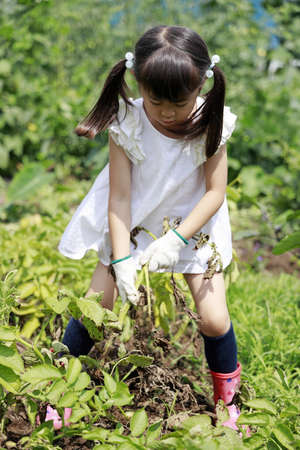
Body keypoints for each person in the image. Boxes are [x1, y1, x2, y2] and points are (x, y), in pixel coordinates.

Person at [53, 25, 243, 431]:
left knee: (213, 319)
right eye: (156, 101)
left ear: (202, 84)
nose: (168, 112)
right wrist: (121, 259)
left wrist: (177, 239)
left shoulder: (212, 119)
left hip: (193, 223)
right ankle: (56, 393)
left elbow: (214, 193)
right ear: (138, 82)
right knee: (94, 308)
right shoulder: (129, 122)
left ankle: (229, 403)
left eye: (180, 101)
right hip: (134, 220)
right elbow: (119, 198)